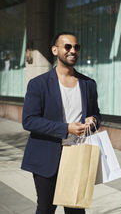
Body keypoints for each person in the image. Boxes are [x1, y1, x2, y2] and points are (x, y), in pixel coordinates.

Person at [21, 32, 101, 214]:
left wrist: (93, 120)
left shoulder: (88, 84)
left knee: (76, 209)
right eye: (68, 47)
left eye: (76, 47)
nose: (73, 51)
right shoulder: (39, 84)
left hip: (77, 155)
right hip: (47, 156)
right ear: (55, 50)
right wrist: (66, 129)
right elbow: (29, 120)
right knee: (46, 209)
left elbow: (96, 114)